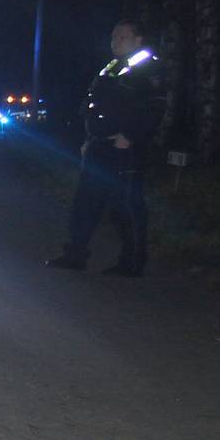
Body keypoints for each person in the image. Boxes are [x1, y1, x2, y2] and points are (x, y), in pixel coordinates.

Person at [48, 19, 168, 276]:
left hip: (124, 148)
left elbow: (154, 109)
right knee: (85, 202)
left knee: (125, 205)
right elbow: (94, 105)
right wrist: (88, 138)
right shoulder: (112, 68)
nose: (116, 41)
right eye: (114, 37)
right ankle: (75, 254)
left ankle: (133, 262)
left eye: (122, 37)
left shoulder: (148, 70)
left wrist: (131, 136)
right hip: (98, 146)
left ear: (138, 41)